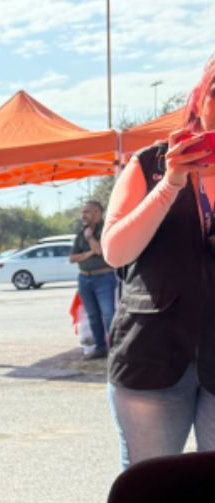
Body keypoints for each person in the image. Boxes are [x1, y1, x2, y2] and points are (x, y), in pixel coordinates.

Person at [100, 52, 215, 469]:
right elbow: (115, 251)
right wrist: (170, 185)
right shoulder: (150, 162)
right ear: (198, 98)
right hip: (152, 353)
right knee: (149, 487)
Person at [69, 201, 117, 360]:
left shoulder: (106, 230)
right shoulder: (80, 233)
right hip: (84, 278)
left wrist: (90, 239)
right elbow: (72, 258)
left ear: (98, 213)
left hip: (104, 277)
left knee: (109, 314)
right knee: (93, 316)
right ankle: (100, 348)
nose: (83, 215)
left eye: (87, 212)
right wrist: (89, 253)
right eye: (82, 212)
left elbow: (101, 251)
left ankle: (116, 349)